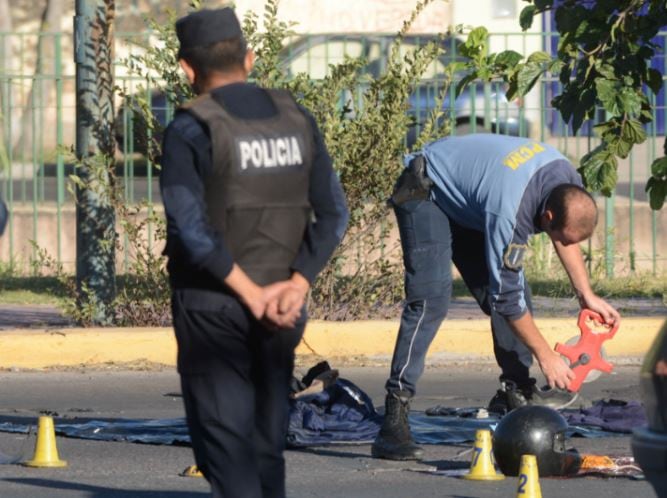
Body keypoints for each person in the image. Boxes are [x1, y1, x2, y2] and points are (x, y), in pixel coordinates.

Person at [160, 7, 348, 497]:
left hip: (213, 306)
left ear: (187, 68)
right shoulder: (295, 117)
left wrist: (249, 293)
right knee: (266, 441)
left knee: (224, 443)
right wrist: (296, 283)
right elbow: (334, 214)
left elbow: (191, 229)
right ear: (250, 57)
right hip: (285, 305)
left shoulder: (191, 128)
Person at [372, 133, 620, 461]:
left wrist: (585, 294)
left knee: (514, 293)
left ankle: (514, 392)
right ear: (547, 217)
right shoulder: (511, 211)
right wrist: (547, 355)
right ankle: (394, 417)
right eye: (555, 232)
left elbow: (565, 238)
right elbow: (506, 300)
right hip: (426, 192)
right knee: (431, 301)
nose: (560, 240)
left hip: (471, 203)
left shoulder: (567, 185)